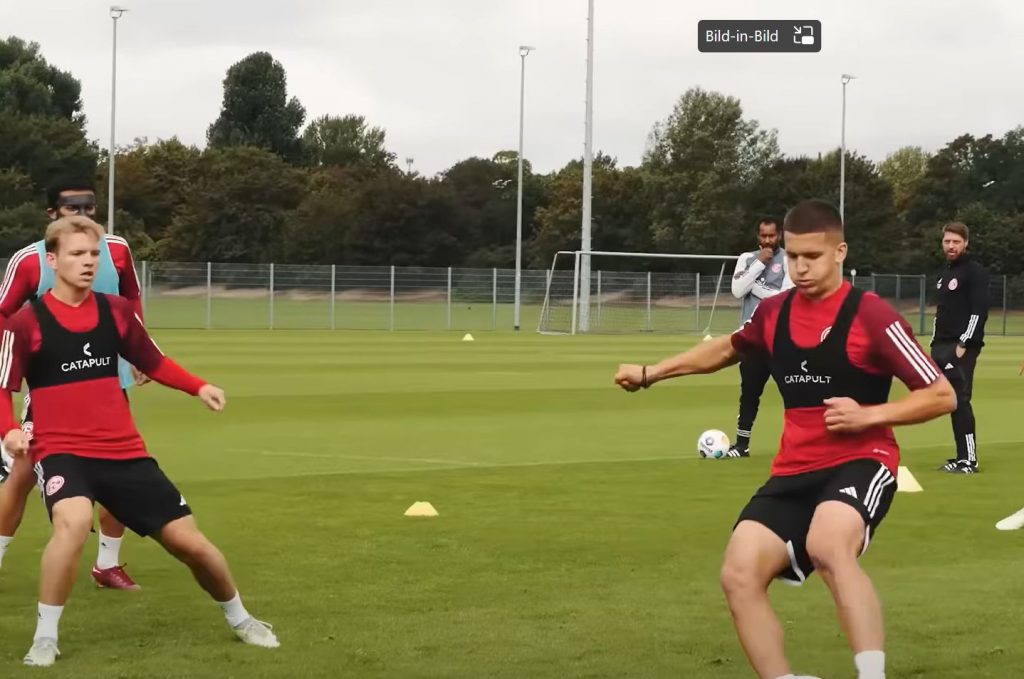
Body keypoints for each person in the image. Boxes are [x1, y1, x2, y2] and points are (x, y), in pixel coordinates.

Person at [614, 199, 956, 679]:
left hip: (862, 460)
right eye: (793, 256)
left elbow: (941, 395)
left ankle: (872, 675)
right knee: (738, 573)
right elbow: (724, 350)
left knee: (828, 545)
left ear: (840, 252)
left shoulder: (873, 315)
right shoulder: (773, 313)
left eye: (812, 256)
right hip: (793, 470)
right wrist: (651, 373)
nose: (800, 267)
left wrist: (869, 415)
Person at [0, 216, 279, 666]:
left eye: (94, 254)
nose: (88, 262)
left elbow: (154, 361)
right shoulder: (24, 323)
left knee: (190, 544)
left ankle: (242, 618)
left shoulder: (115, 311)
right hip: (62, 450)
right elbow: (3, 387)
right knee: (72, 524)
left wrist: (198, 386)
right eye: (77, 254)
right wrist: (10, 430)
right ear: (51, 260)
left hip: (123, 451)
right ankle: (45, 637)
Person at [0, 179, 145, 588]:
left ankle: (107, 565)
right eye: (71, 208)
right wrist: (11, 360)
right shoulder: (30, 260)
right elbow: (3, 311)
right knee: (23, 473)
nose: (82, 215)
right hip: (51, 387)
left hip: (107, 382)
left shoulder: (117, 250)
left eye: (89, 207)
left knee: (121, 468)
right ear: (51, 214)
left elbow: (131, 298)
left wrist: (140, 351)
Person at [726, 217, 794, 458]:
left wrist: (753, 287)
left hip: (780, 340)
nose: (767, 240)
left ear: (780, 235)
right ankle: (741, 445)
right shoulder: (746, 258)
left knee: (795, 393)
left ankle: (802, 446)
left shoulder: (789, 259)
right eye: (763, 236)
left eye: (771, 235)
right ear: (757, 236)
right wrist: (759, 264)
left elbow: (785, 297)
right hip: (752, 341)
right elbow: (737, 291)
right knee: (749, 394)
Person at [930, 221, 989, 474]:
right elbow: (941, 312)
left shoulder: (975, 272)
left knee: (961, 400)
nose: (951, 246)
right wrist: (934, 342)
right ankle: (961, 457)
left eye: (956, 241)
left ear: (966, 243)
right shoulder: (945, 274)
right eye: (947, 241)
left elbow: (979, 310)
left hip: (961, 345)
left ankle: (969, 461)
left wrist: (965, 342)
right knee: (952, 402)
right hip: (941, 344)